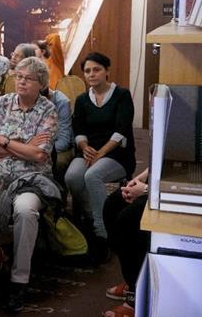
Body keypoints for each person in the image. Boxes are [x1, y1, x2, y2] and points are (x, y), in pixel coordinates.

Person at [0, 57, 59, 312]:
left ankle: (19, 280)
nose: (21, 81)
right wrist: (23, 145)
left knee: (25, 211)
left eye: (28, 78)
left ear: (41, 84)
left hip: (31, 180)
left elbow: (39, 156)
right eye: (19, 76)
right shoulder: (2, 103)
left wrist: (4, 141)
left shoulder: (48, 110)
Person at [64, 52, 135, 262]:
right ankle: (97, 213)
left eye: (97, 69)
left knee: (91, 176)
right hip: (89, 151)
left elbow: (122, 130)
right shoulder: (83, 99)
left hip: (116, 153)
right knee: (72, 177)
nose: (92, 74)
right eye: (87, 71)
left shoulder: (122, 95)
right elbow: (79, 129)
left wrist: (100, 153)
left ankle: (103, 235)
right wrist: (85, 147)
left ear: (107, 71)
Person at [102, 168, 149, 317]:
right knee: (113, 203)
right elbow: (158, 159)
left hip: (183, 194)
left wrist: (146, 189)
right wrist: (136, 181)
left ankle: (135, 298)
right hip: (160, 186)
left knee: (128, 220)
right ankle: (134, 280)